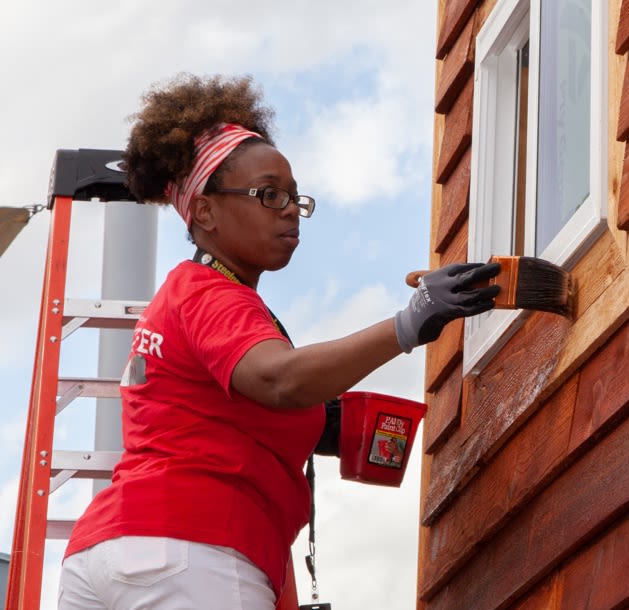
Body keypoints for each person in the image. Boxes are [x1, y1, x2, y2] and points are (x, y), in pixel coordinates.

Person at [57, 73, 500, 609]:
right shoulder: (211, 294)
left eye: (293, 196)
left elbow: (223, 412)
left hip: (104, 552)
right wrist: (411, 322)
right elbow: (278, 378)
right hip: (190, 551)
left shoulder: (182, 296)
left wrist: (321, 422)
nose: (289, 208)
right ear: (204, 211)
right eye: (268, 194)